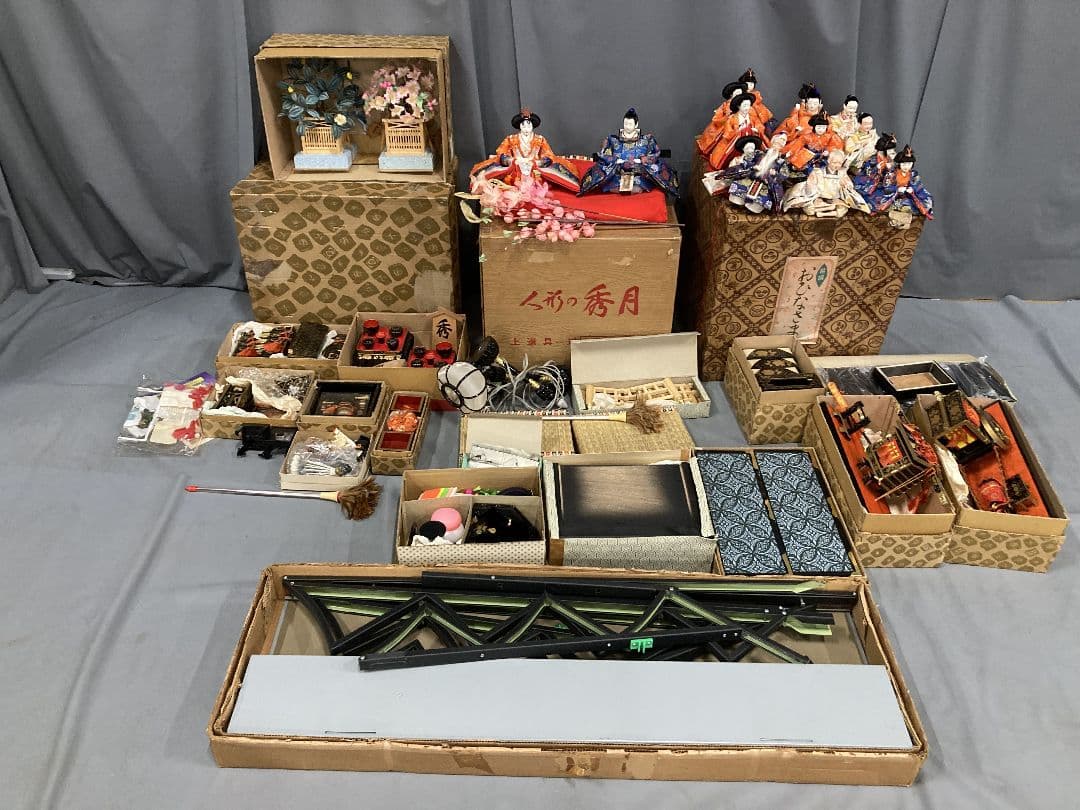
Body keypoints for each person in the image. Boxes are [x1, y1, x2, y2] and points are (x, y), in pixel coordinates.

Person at [469, 108, 580, 192]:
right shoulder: (511, 139)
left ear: (532, 126)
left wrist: (536, 163)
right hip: (516, 166)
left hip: (534, 167)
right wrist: (513, 161)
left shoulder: (540, 139)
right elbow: (501, 153)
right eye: (523, 125)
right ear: (519, 126)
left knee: (543, 178)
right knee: (508, 177)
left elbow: (548, 155)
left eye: (528, 125)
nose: (526, 128)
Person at [579, 108, 679, 196]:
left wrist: (642, 160)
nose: (627, 126)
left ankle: (634, 187)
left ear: (636, 124)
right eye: (625, 123)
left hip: (638, 174)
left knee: (639, 186)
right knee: (610, 182)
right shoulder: (613, 140)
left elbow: (655, 153)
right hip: (618, 173)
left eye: (630, 124)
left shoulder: (646, 139)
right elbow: (604, 153)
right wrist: (615, 160)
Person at [722, 131, 800, 214]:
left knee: (759, 202)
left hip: (766, 183)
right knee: (739, 191)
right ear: (772, 141)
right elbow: (748, 160)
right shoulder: (759, 153)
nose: (778, 144)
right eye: (777, 142)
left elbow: (785, 174)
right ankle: (738, 203)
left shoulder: (782, 161)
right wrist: (753, 166)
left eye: (782, 143)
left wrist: (776, 174)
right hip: (752, 177)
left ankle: (752, 208)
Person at [783, 149, 871, 218]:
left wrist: (847, 185)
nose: (837, 165)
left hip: (835, 198)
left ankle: (825, 212)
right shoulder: (818, 172)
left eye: (839, 163)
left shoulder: (842, 173)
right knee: (810, 211)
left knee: (841, 211)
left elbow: (849, 184)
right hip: (819, 197)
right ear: (828, 161)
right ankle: (826, 209)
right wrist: (812, 185)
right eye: (834, 162)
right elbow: (810, 185)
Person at [700, 91, 770, 170]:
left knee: (762, 150)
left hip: (751, 138)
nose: (747, 108)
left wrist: (757, 129)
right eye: (745, 105)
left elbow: (760, 125)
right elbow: (727, 132)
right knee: (725, 154)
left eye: (749, 105)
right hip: (735, 141)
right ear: (739, 106)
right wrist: (737, 130)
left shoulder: (752, 117)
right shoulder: (732, 118)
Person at [868, 144, 933, 225]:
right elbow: (887, 187)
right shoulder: (892, 174)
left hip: (907, 195)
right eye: (904, 164)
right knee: (881, 202)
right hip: (893, 195)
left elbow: (918, 186)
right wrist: (897, 189)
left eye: (909, 164)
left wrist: (912, 189)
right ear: (899, 164)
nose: (906, 166)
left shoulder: (913, 174)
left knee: (926, 200)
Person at [853, 132, 897, 197]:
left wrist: (891, 167)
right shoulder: (872, 160)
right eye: (890, 150)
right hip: (870, 181)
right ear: (882, 150)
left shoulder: (889, 159)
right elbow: (868, 173)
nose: (893, 152)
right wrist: (876, 168)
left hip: (883, 182)